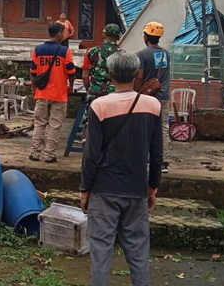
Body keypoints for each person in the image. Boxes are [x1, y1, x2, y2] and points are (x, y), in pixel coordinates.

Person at [80, 51, 163, 286]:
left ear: (111, 74)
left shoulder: (99, 106)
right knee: (138, 252)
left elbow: (91, 155)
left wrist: (85, 189)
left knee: (100, 251)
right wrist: (152, 187)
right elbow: (156, 153)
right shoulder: (152, 105)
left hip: (103, 190)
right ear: (137, 74)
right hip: (137, 189)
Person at [29, 22, 76, 163]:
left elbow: (33, 72)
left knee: (39, 123)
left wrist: (33, 88)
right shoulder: (65, 51)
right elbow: (71, 72)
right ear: (58, 34)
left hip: (42, 93)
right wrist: (71, 86)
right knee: (54, 125)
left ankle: (35, 153)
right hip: (59, 93)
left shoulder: (37, 50)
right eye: (63, 32)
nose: (64, 35)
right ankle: (49, 155)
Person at [135, 21, 171, 169]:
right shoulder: (166, 53)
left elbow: (139, 76)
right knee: (163, 127)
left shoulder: (142, 54)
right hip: (163, 97)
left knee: (144, 127)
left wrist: (135, 92)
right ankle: (163, 161)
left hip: (147, 98)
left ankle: (142, 158)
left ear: (146, 36)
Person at [82, 24, 122, 102]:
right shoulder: (123, 54)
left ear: (103, 35)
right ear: (119, 37)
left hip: (95, 93)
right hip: (114, 94)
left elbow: (85, 76)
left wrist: (89, 90)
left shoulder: (91, 51)